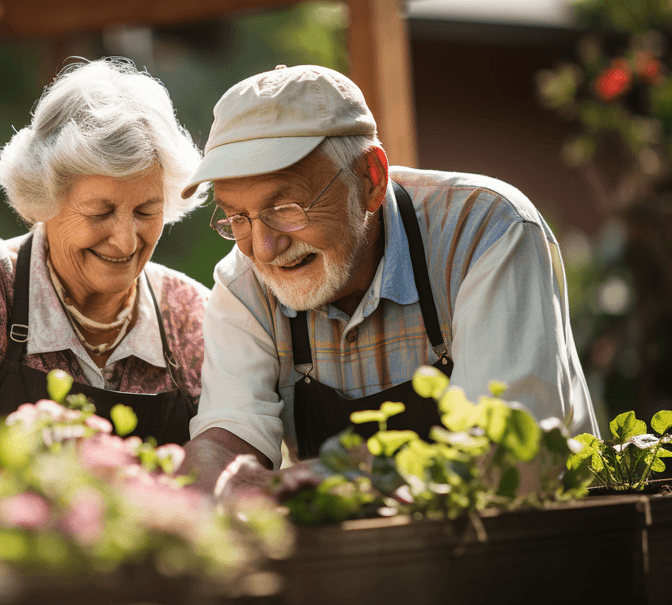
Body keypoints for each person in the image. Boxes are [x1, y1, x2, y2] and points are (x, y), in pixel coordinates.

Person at [179, 64, 600, 493]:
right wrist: (218, 478)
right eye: (237, 217)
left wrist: (345, 478)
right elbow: (227, 439)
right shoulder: (243, 283)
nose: (264, 248)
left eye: (286, 208)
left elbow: (508, 456)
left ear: (371, 179)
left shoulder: (486, 232)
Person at [0, 59, 210, 455]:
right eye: (100, 212)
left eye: (145, 212)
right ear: (44, 198)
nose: (125, 241)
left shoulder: (190, 314)